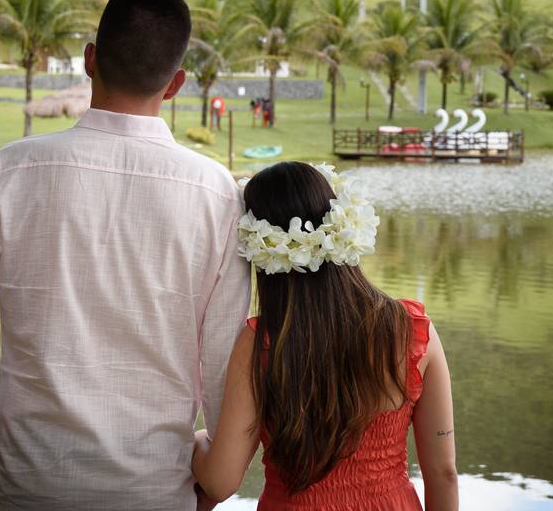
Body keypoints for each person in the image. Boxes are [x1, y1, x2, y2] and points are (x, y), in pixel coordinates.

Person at [0, 0, 251, 511]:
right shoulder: (216, 194)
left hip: (26, 486)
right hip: (155, 491)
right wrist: (211, 486)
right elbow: (226, 361)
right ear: (176, 85)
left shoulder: (14, 169)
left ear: (89, 59)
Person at [192, 162, 458, 510]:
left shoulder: (262, 343)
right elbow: (444, 472)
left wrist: (195, 444)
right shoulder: (413, 331)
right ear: (340, 221)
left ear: (257, 249)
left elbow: (220, 481)